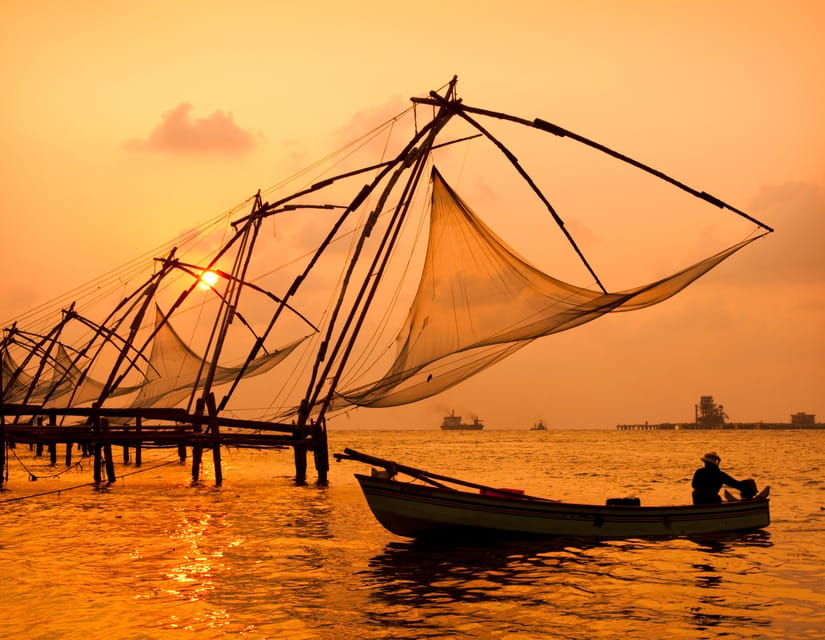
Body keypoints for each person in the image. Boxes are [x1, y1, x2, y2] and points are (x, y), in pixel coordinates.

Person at [691, 452, 756, 504]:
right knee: (716, 498)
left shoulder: (699, 472)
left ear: (706, 463)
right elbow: (735, 484)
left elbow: (694, 485)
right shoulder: (719, 474)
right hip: (712, 500)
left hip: (698, 500)